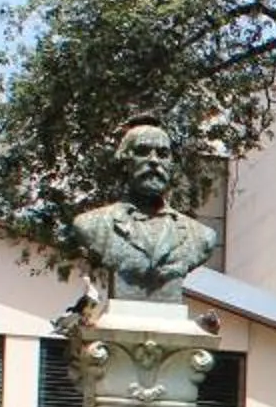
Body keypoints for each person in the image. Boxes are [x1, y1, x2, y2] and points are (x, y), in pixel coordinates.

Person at [68, 118, 217, 302]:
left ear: (171, 166)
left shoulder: (202, 237)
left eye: (163, 154)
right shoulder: (93, 225)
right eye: (142, 152)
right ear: (124, 163)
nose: (154, 160)